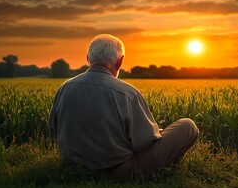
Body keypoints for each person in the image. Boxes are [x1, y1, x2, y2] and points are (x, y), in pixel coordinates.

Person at [48, 34, 199, 179]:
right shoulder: (128, 93)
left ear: (88, 58)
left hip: (74, 166)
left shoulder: (65, 87)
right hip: (118, 170)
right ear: (120, 61)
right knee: (188, 125)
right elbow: (145, 142)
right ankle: (169, 169)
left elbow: (54, 128)